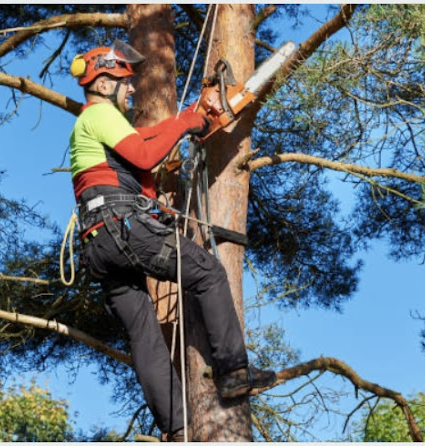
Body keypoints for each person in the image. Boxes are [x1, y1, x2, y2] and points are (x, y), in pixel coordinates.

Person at [68, 40, 276, 441]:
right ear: (106, 81)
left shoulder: (92, 129)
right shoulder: (99, 115)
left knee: (144, 335)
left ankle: (177, 429)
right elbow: (146, 156)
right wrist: (185, 121)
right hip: (120, 228)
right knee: (208, 272)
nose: (131, 90)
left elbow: (138, 160)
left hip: (100, 244)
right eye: (125, 83)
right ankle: (233, 372)